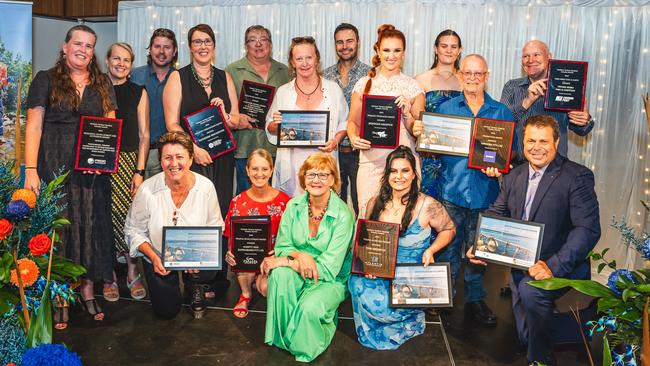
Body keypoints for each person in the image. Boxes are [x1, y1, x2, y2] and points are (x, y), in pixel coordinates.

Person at [467, 115, 601, 365]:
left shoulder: (577, 176)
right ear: (523, 142)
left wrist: (553, 266)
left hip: (559, 265)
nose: (536, 147)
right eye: (530, 141)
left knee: (533, 308)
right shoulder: (514, 176)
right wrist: (480, 244)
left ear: (557, 142)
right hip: (520, 264)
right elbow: (497, 212)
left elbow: (588, 229)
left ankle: (541, 360)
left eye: (543, 141)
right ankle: (541, 345)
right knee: (525, 336)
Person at [24, 25, 117, 326]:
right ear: (65, 47)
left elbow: (109, 127)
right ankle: (61, 294)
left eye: (89, 45)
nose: (83, 50)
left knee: (91, 228)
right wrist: (30, 170)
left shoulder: (102, 83)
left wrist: (102, 161)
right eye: (78, 43)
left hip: (92, 173)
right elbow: (34, 127)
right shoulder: (45, 79)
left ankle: (88, 291)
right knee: (61, 232)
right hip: (54, 167)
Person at [414, 54, 516, 327]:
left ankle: (475, 300)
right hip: (451, 191)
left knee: (478, 251)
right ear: (460, 75)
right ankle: (445, 296)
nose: (472, 78)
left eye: (478, 74)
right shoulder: (446, 108)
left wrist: (500, 167)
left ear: (487, 75)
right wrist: (422, 131)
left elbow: (513, 152)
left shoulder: (501, 112)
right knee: (449, 248)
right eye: (468, 73)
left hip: (485, 193)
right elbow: (429, 147)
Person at [348, 146, 455, 350]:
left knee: (385, 303)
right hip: (380, 271)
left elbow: (449, 229)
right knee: (357, 284)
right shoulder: (374, 203)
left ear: (414, 174)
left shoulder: (428, 205)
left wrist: (431, 250)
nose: (399, 176)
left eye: (405, 170)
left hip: (408, 276)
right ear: (387, 174)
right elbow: (366, 240)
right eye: (394, 171)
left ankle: (406, 318)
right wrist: (368, 264)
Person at [163, 24, 240, 295]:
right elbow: (171, 122)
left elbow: (237, 119)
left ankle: (218, 278)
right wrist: (193, 148)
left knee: (218, 212)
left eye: (207, 41)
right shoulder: (178, 77)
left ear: (214, 45)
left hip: (222, 156)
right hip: (191, 159)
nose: (203, 46)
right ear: (190, 47)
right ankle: (195, 281)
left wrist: (227, 115)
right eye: (197, 42)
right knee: (193, 214)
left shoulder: (225, 77)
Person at [263, 153, 354, 362]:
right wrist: (301, 256)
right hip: (299, 266)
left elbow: (329, 268)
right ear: (303, 179)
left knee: (307, 308)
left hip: (330, 278)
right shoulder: (293, 205)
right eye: (311, 174)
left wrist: (288, 261)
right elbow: (283, 245)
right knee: (279, 277)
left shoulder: (343, 215)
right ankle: (284, 337)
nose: (316, 180)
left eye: (323, 175)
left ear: (333, 180)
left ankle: (314, 331)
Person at [124, 131, 225, 319]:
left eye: (180, 157)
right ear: (160, 161)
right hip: (159, 255)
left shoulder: (206, 187)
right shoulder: (147, 189)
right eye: (167, 158)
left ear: (191, 158)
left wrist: (198, 256)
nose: (174, 163)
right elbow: (133, 230)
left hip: (194, 253)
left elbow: (216, 226)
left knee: (208, 269)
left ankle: (195, 285)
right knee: (166, 311)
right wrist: (154, 257)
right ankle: (167, 282)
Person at [347, 24, 425, 217]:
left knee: (402, 218)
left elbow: (418, 132)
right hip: (371, 163)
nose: (391, 56)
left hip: (403, 165)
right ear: (378, 52)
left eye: (397, 50)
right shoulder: (364, 84)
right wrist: (353, 137)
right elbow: (353, 122)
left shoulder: (414, 87)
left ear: (404, 53)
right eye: (386, 50)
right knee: (368, 218)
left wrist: (407, 114)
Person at [265, 36, 348, 196]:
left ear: (316, 59)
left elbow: (344, 121)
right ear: (292, 62)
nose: (304, 63)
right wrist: (276, 125)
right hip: (292, 165)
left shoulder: (332, 89)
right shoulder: (283, 92)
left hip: (324, 163)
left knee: (322, 212)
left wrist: (335, 141)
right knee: (294, 213)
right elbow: (270, 127)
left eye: (309, 57)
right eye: (299, 58)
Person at [103, 42, 150, 302]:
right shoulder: (94, 90)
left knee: (130, 219)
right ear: (107, 60)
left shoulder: (138, 92)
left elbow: (145, 135)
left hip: (130, 161)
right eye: (116, 58)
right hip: (100, 164)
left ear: (131, 66)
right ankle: (109, 275)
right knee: (103, 218)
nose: (121, 64)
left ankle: (133, 272)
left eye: (126, 60)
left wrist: (139, 170)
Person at [223, 148, 291, 318]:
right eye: (254, 168)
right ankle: (245, 294)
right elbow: (231, 237)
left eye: (264, 169)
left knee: (266, 289)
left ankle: (259, 281)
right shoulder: (237, 202)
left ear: (272, 170)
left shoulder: (286, 202)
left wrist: (282, 253)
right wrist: (229, 253)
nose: (259, 174)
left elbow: (293, 237)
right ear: (246, 170)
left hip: (274, 259)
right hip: (248, 260)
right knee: (239, 255)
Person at [500, 40, 594, 158]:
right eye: (526, 56)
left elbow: (582, 131)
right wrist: (527, 101)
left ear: (549, 57)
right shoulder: (511, 86)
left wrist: (584, 120)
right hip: (517, 167)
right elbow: (501, 124)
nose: (530, 60)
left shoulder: (565, 86)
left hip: (554, 169)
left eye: (536, 55)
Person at [224, 25, 289, 194]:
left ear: (271, 44)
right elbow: (223, 111)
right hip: (245, 147)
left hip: (278, 148)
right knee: (248, 199)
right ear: (246, 45)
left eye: (263, 40)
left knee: (277, 199)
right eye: (253, 40)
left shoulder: (286, 71)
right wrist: (236, 120)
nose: (258, 44)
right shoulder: (231, 71)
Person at [323, 23, 372, 215]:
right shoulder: (324, 76)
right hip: (332, 152)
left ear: (358, 43)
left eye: (349, 41)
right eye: (340, 42)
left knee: (363, 204)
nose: (345, 46)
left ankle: (360, 244)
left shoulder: (371, 74)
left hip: (360, 153)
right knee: (333, 206)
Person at [415, 29, 463, 198]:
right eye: (444, 46)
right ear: (436, 49)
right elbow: (415, 119)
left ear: (459, 50)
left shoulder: (467, 80)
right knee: (428, 206)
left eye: (453, 46)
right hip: (430, 155)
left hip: (459, 157)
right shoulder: (421, 79)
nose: (449, 50)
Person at [130, 28, 178, 179]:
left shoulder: (181, 78)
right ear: (150, 49)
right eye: (157, 46)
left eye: (167, 47)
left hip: (171, 156)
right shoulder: (134, 76)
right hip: (138, 155)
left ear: (174, 51)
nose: (162, 51)